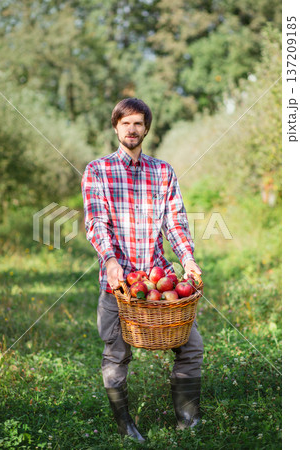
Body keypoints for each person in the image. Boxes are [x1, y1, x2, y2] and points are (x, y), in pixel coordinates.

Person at [81, 98, 204, 442]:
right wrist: (109, 260)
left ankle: (187, 420)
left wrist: (187, 258)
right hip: (119, 284)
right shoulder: (98, 171)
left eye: (138, 123)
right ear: (115, 127)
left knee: (191, 346)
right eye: (125, 123)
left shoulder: (163, 172)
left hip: (157, 280)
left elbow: (175, 222)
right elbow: (96, 222)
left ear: (146, 128)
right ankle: (126, 425)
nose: (132, 130)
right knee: (116, 354)